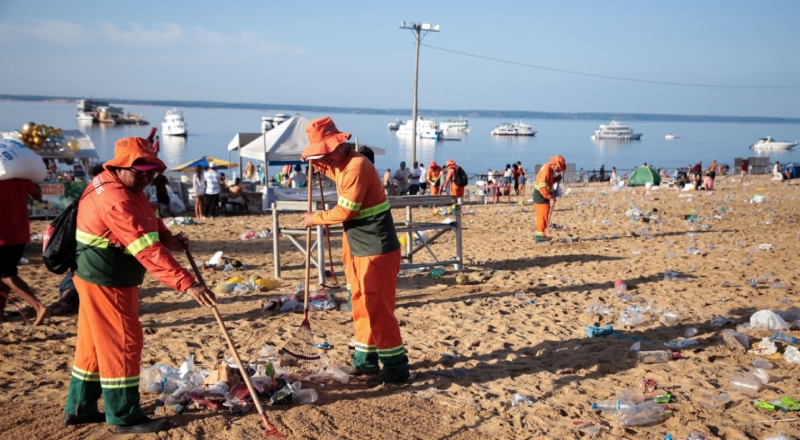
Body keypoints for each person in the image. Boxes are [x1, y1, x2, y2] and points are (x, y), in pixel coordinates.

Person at [63, 137, 215, 433]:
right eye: (140, 171)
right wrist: (188, 283)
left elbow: (148, 221)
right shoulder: (115, 197)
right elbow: (146, 248)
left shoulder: (127, 187)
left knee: (94, 344)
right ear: (120, 166)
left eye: (151, 173)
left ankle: (79, 408)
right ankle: (124, 415)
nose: (146, 178)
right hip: (106, 279)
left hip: (104, 277)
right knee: (123, 341)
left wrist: (168, 237)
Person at [300, 117, 410, 385]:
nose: (323, 160)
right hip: (356, 246)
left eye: (324, 154)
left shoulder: (357, 166)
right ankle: (366, 361)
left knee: (378, 307)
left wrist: (315, 218)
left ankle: (396, 367)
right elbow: (331, 170)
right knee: (359, 303)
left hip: (377, 247)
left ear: (339, 144)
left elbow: (345, 211)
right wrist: (317, 164)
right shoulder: (339, 164)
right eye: (319, 156)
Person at [0, 177, 49, 326]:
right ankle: (0, 314)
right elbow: (38, 195)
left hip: (2, 233)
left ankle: (38, 306)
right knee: (6, 272)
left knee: (5, 273)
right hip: (20, 233)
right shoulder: (18, 175)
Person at [533, 155, 566, 243]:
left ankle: (542, 235)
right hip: (541, 195)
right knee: (542, 216)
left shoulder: (549, 169)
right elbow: (542, 187)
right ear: (555, 164)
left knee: (544, 216)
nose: (558, 170)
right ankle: (539, 238)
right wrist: (550, 197)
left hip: (544, 195)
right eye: (558, 168)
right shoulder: (546, 170)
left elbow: (549, 181)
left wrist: (556, 179)